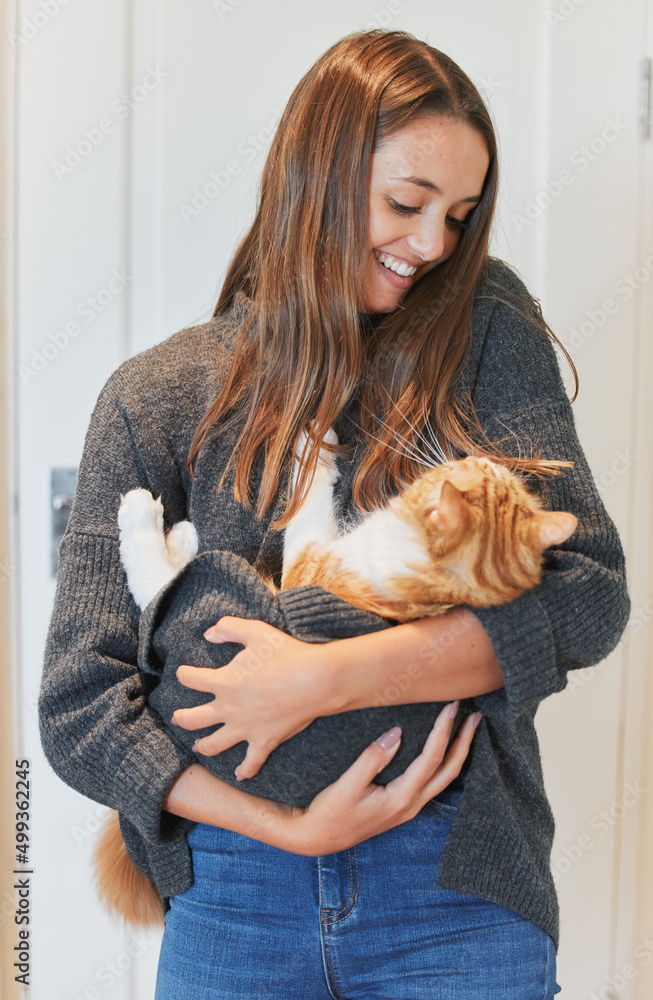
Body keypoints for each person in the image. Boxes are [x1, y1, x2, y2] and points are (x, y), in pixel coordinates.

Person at [38, 28, 630, 999]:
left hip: (455, 880)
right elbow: (78, 707)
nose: (433, 244)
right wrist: (288, 827)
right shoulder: (157, 399)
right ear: (316, 174)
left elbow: (586, 595)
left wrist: (322, 680)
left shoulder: (480, 328)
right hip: (231, 887)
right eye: (405, 203)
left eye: (459, 213)